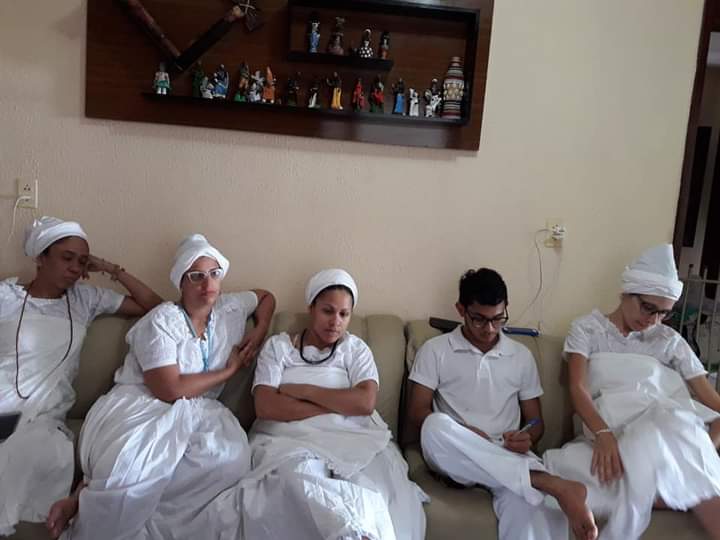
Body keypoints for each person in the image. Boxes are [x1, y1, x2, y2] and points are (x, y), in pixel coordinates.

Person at [47, 234, 275, 539]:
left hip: (202, 410)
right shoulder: (161, 321)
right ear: (181, 282)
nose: (207, 284)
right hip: (145, 404)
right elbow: (168, 389)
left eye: (214, 274)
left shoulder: (230, 308)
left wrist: (259, 331)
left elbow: (265, 297)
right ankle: (85, 500)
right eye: (196, 276)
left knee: (228, 461)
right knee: (136, 468)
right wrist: (229, 370)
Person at [0, 216, 162, 536]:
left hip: (44, 413)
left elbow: (157, 307)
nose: (75, 268)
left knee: (32, 447)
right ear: (41, 257)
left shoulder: (85, 299)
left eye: (82, 261)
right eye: (67, 258)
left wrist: (111, 269)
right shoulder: (6, 297)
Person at [544, 245, 720, 539]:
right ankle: (668, 488)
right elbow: (577, 387)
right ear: (626, 293)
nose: (653, 320)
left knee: (667, 429)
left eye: (663, 313)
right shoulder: (587, 329)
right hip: (609, 429)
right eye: (648, 308)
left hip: (663, 428)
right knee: (564, 469)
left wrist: (704, 448)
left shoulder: (669, 340)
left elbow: (713, 403)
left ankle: (676, 481)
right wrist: (604, 435)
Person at [408, 268, 597, 540]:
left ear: (506, 307)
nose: (489, 329)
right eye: (479, 320)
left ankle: (530, 480)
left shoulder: (521, 356)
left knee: (531, 508)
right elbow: (418, 413)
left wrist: (527, 436)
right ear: (461, 310)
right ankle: (547, 481)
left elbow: (535, 421)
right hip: (457, 452)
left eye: (498, 319)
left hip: (507, 451)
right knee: (434, 426)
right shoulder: (436, 349)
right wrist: (466, 433)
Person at [243, 268, 427, 540]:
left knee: (377, 485)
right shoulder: (278, 348)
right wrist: (339, 402)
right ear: (311, 308)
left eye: (344, 314)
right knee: (298, 481)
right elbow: (267, 407)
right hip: (290, 439)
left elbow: (365, 402)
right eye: (328, 311)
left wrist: (303, 391)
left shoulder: (355, 349)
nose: (335, 322)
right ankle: (350, 531)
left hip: (352, 435)